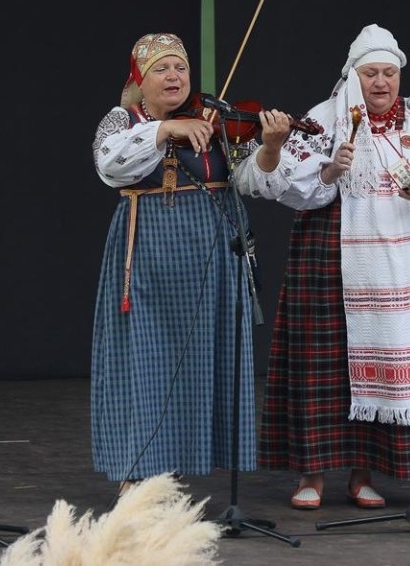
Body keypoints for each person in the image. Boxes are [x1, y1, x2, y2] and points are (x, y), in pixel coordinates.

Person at [251, 24, 410, 510]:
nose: (381, 82)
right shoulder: (325, 118)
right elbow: (287, 184)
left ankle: (362, 473)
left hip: (403, 261)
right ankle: (311, 475)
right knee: (324, 365)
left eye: (389, 73)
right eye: (371, 73)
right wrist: (331, 169)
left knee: (387, 357)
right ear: (353, 75)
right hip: (334, 253)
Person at [91, 33, 292, 493]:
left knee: (201, 359)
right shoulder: (123, 120)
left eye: (180, 68)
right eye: (162, 69)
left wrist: (273, 147)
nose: (174, 76)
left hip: (212, 252)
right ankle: (137, 473)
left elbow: (250, 180)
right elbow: (108, 165)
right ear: (140, 82)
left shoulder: (215, 121)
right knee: (144, 359)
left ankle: (176, 466)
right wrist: (164, 130)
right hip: (147, 255)